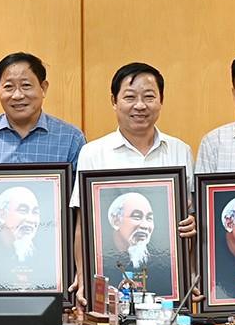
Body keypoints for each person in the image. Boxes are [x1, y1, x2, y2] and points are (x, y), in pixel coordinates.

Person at [69, 63, 197, 303]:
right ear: (114, 101)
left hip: (167, 283)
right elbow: (83, 225)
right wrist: (83, 275)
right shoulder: (93, 153)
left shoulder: (180, 150)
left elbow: (190, 219)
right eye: (130, 97)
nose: (140, 105)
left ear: (161, 100)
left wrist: (189, 268)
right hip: (111, 278)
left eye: (149, 97)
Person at [0, 52, 85, 273]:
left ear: (43, 88)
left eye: (26, 85)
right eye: (8, 87)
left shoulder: (71, 139)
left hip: (55, 264)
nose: (17, 95)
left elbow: (81, 207)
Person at [0, 184, 60, 291]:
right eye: (23, 210)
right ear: (2, 214)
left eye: (35, 212)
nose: (31, 219)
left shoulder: (48, 256)